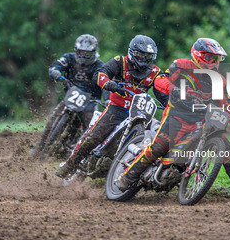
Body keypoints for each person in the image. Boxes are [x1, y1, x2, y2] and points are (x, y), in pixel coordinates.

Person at [115, 38, 230, 197]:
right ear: (198, 55)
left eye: (217, 59)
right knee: (158, 147)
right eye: (210, 58)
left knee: (227, 147)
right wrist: (174, 89)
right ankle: (126, 178)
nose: (214, 63)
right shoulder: (181, 65)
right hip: (176, 117)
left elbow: (226, 103)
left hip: (200, 119)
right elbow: (159, 80)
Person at [55, 34, 168, 178]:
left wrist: (170, 104)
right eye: (141, 55)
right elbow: (100, 73)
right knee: (94, 137)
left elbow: (162, 94)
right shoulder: (120, 62)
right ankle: (70, 164)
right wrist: (108, 83)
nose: (144, 59)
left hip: (140, 114)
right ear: (133, 53)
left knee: (150, 141)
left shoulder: (156, 73)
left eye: (148, 57)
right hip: (117, 109)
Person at [29, 34, 106, 157]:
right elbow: (55, 66)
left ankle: (84, 155)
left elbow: (105, 83)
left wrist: (107, 99)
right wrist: (57, 74)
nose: (83, 56)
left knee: (90, 129)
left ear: (93, 52)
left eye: (87, 53)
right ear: (76, 50)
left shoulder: (100, 66)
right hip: (71, 95)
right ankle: (40, 145)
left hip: (90, 102)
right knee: (53, 118)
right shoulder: (69, 58)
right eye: (80, 52)